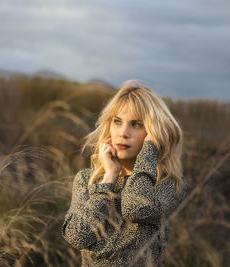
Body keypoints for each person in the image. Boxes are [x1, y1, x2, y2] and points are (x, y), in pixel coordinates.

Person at [61, 80, 187, 266]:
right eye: (117, 122)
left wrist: (149, 149)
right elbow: (77, 236)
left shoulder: (169, 183)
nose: (123, 133)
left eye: (136, 124)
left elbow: (134, 208)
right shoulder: (87, 179)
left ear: (155, 132)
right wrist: (109, 178)